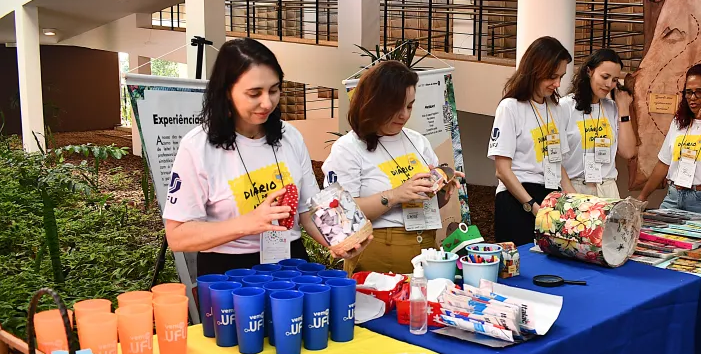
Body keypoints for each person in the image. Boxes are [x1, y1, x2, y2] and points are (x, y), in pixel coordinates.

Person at [163, 38, 366, 276]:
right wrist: (247, 224)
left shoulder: (290, 136)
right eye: (254, 93)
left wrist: (342, 239)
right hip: (230, 274)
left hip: (291, 265)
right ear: (226, 91)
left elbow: (308, 210)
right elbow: (177, 236)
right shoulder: (198, 146)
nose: (267, 102)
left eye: (274, 90)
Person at [322, 60, 461, 275]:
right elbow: (339, 215)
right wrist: (395, 195)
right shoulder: (348, 148)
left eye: (410, 105)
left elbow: (433, 203)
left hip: (426, 247)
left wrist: (442, 189)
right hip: (376, 253)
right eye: (396, 107)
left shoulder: (418, 141)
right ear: (374, 103)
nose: (404, 115)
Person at [488, 36, 576, 245]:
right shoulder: (510, 107)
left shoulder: (556, 109)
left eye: (561, 77)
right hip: (517, 197)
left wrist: (577, 201)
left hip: (550, 196)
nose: (557, 84)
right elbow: (502, 170)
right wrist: (532, 206)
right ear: (535, 70)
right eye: (552, 77)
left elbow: (557, 163)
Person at [638, 64, 701, 216]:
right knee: (664, 239)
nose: (692, 98)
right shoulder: (679, 122)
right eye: (688, 92)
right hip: (674, 197)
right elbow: (664, 163)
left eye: (699, 92)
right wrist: (642, 197)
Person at [560, 48, 637, 198]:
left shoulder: (612, 108)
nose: (609, 84)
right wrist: (571, 194)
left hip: (606, 188)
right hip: (574, 187)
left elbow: (628, 152)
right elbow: (553, 156)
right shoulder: (565, 107)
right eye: (605, 76)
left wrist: (623, 109)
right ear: (589, 71)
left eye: (614, 80)